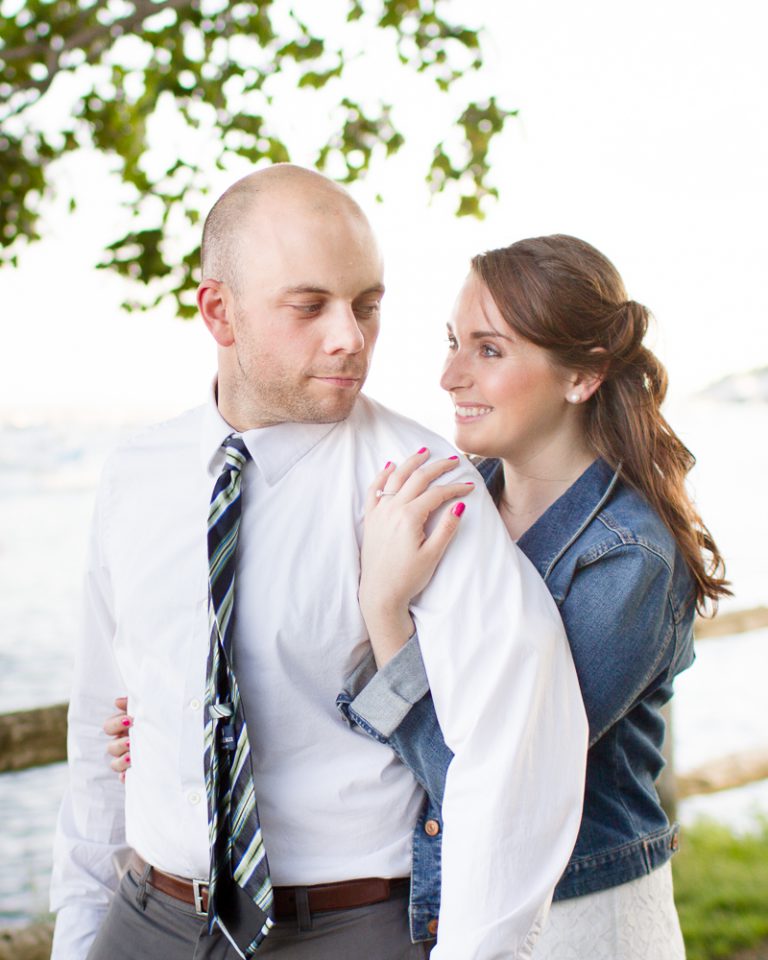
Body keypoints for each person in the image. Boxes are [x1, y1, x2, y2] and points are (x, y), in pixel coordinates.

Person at [50, 166, 588, 960]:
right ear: (218, 311)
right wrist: (83, 932)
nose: (350, 337)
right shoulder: (135, 476)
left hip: (345, 929)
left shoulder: (422, 478)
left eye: (367, 305)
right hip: (147, 920)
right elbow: (100, 728)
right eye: (310, 306)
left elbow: (520, 742)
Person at [331, 235, 730, 959]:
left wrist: (387, 613)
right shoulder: (453, 506)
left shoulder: (628, 560)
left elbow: (496, 785)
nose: (450, 374)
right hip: (452, 910)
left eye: (489, 350)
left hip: (579, 922)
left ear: (581, 377)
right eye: (454, 342)